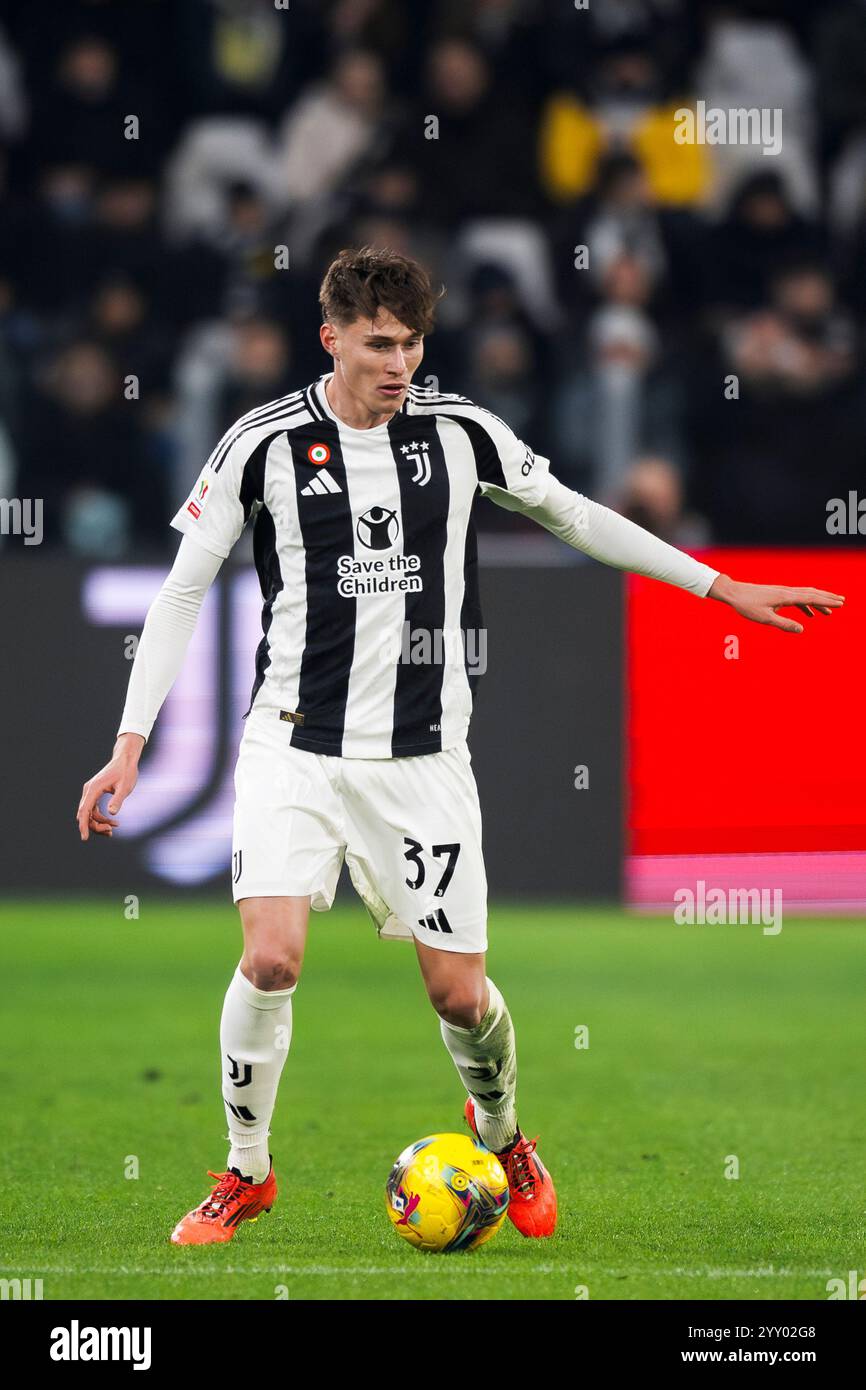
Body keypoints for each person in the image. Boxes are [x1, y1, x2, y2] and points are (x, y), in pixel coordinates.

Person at [76, 246, 844, 1246]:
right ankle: (246, 1170)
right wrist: (131, 743)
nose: (399, 363)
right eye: (379, 344)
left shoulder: (459, 434)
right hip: (292, 746)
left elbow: (572, 513)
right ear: (332, 339)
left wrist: (715, 585)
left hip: (422, 757)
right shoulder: (259, 446)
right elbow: (181, 591)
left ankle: (505, 1136)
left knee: (458, 992)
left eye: (413, 343)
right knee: (268, 959)